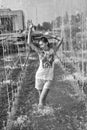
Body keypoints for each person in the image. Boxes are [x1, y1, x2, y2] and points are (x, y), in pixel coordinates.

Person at [28, 24, 63, 109]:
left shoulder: (53, 50)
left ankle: (40, 115)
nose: (41, 46)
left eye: (42, 44)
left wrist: (49, 35)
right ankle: (43, 114)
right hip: (39, 77)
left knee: (41, 100)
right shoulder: (40, 52)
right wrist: (29, 30)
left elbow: (61, 39)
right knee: (42, 100)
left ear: (46, 43)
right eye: (40, 45)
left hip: (48, 78)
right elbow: (29, 43)